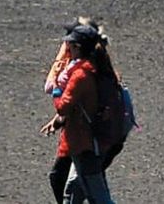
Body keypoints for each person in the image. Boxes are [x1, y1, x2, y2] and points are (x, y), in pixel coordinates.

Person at [42, 18, 127, 204]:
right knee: (73, 192)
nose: (67, 48)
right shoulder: (95, 69)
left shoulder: (80, 75)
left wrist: (57, 90)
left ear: (78, 47)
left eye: (69, 45)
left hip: (84, 143)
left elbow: (63, 105)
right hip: (91, 142)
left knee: (95, 195)